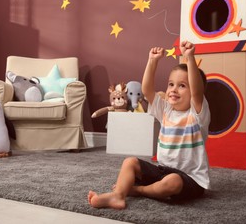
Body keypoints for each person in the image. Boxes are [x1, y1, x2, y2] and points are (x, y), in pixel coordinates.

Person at [88, 40, 210, 209]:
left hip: (190, 179)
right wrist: (152, 61)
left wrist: (189, 58)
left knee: (172, 182)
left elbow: (196, 92)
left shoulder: (197, 114)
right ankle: (117, 196)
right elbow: (147, 91)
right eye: (171, 84)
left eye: (182, 86)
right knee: (130, 162)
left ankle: (139, 190)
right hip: (162, 170)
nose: (174, 89)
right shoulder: (165, 110)